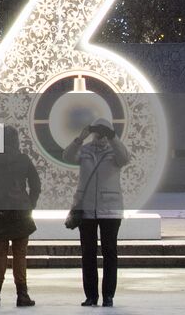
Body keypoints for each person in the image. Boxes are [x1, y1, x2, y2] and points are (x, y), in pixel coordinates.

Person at [65, 118, 131, 307]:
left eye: (104, 131)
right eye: (97, 130)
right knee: (88, 253)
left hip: (110, 209)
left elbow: (125, 158)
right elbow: (67, 156)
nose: (99, 134)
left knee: (110, 252)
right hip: (86, 208)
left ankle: (108, 295)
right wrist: (80, 137)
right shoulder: (85, 150)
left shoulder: (115, 151)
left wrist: (113, 137)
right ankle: (91, 295)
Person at [0, 125, 41, 307]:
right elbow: (35, 184)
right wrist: (30, 203)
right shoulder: (23, 160)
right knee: (20, 254)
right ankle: (22, 294)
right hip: (21, 210)